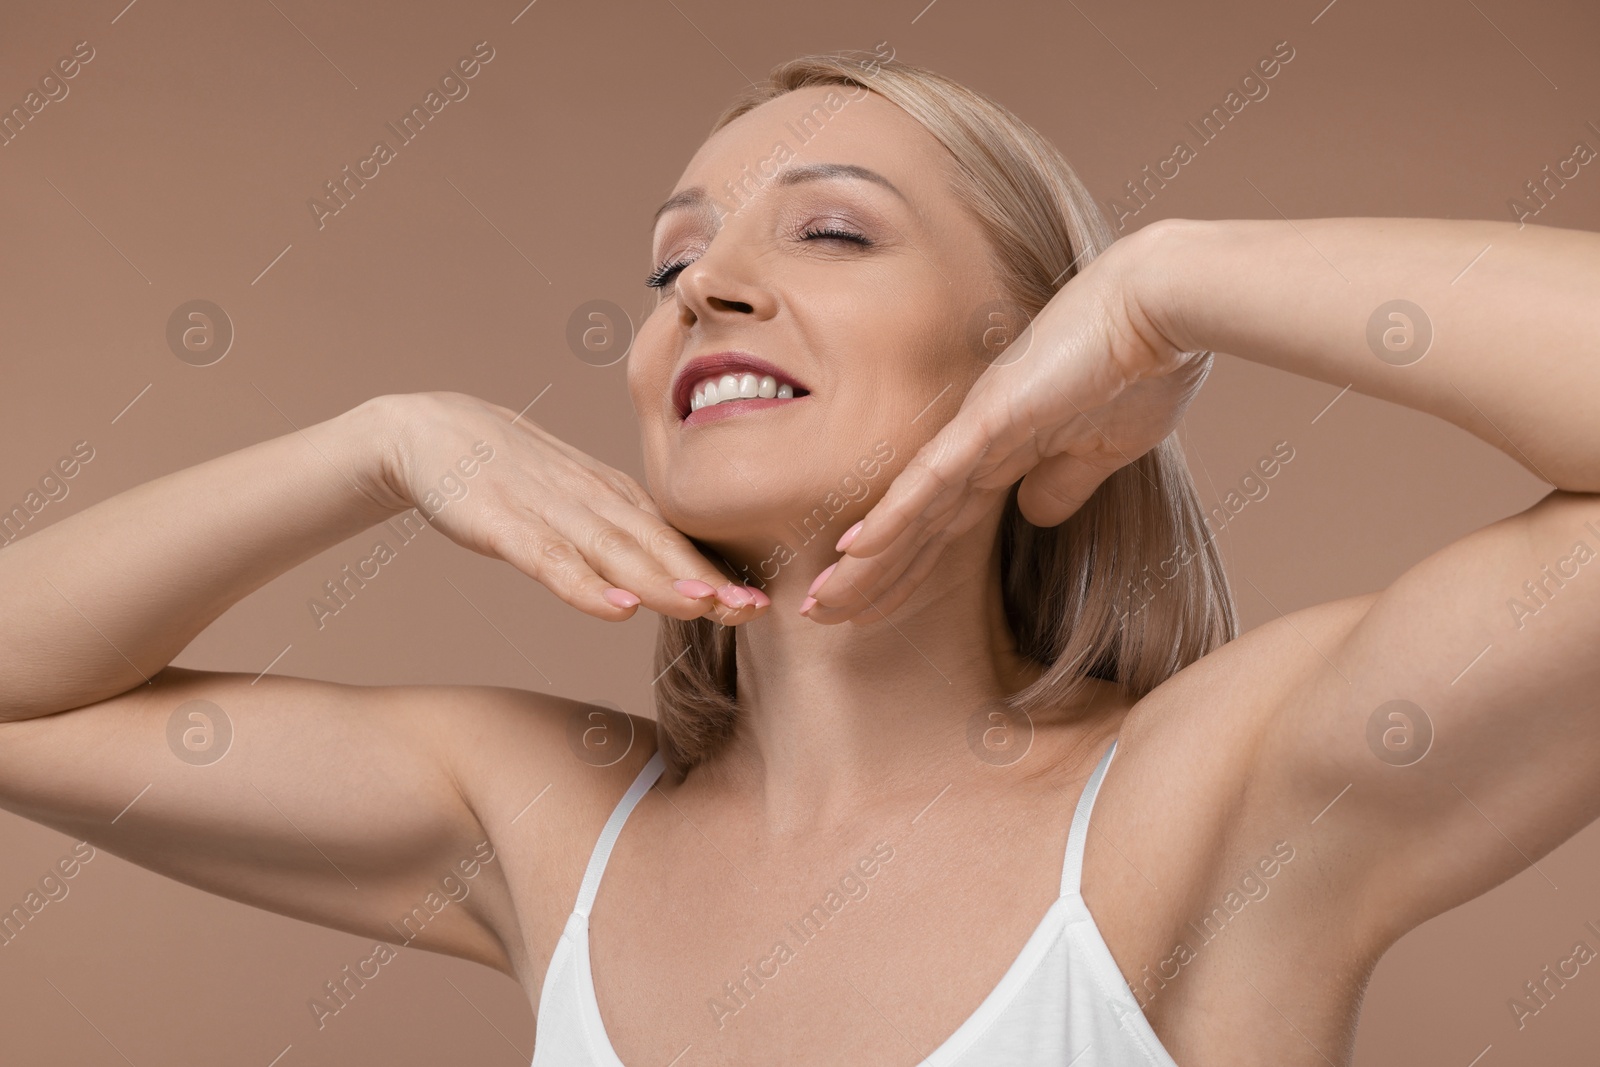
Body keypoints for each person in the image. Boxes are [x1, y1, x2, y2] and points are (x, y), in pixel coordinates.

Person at [2, 50, 1597, 1066]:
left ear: (1035, 356)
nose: (708, 289)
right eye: (675, 257)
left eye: (829, 230)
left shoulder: (1222, 798)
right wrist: (378, 443)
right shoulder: (550, 821)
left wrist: (1170, 286)